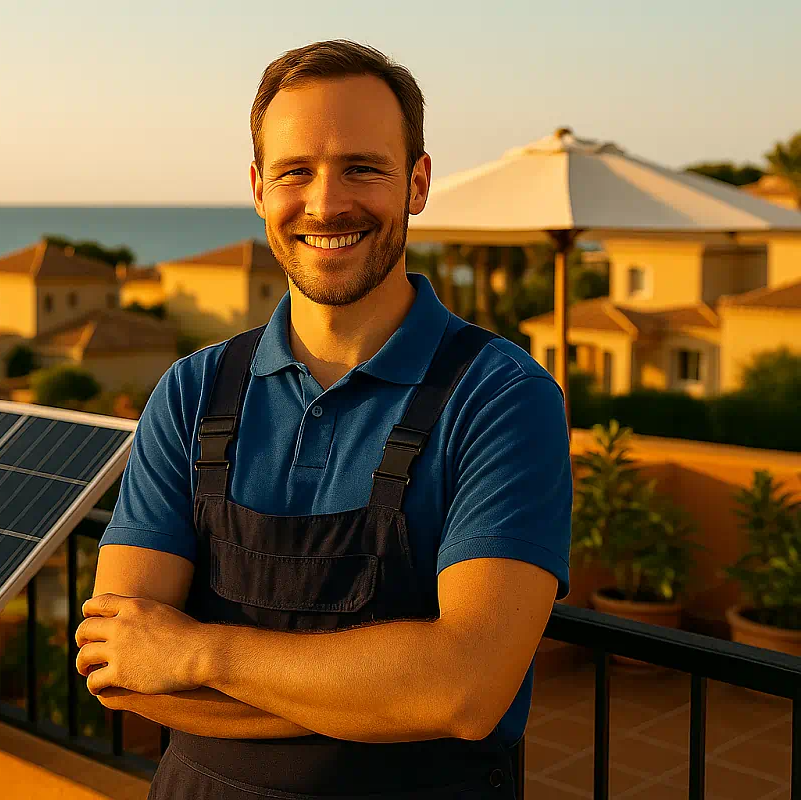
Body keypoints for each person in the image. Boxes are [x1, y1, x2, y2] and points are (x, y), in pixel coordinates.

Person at [73, 39, 571, 799]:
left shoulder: (502, 397)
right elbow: (121, 670)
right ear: (258, 188)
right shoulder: (191, 392)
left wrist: (197, 653)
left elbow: (466, 690)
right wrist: (386, 697)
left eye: (362, 168)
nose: (327, 202)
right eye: (295, 171)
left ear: (418, 182)